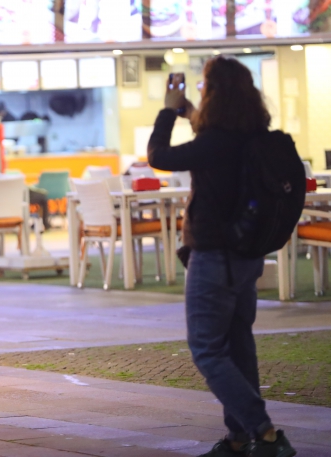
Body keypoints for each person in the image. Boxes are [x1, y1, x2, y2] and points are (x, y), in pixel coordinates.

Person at [147, 57, 297, 457]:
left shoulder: (214, 144)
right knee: (238, 345)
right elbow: (212, 136)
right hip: (247, 256)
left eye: (203, 87)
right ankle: (238, 438)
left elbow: (159, 156)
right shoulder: (251, 135)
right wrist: (190, 113)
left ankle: (264, 431)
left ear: (214, 93)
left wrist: (166, 110)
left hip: (215, 257)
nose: (198, 91)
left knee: (207, 349)